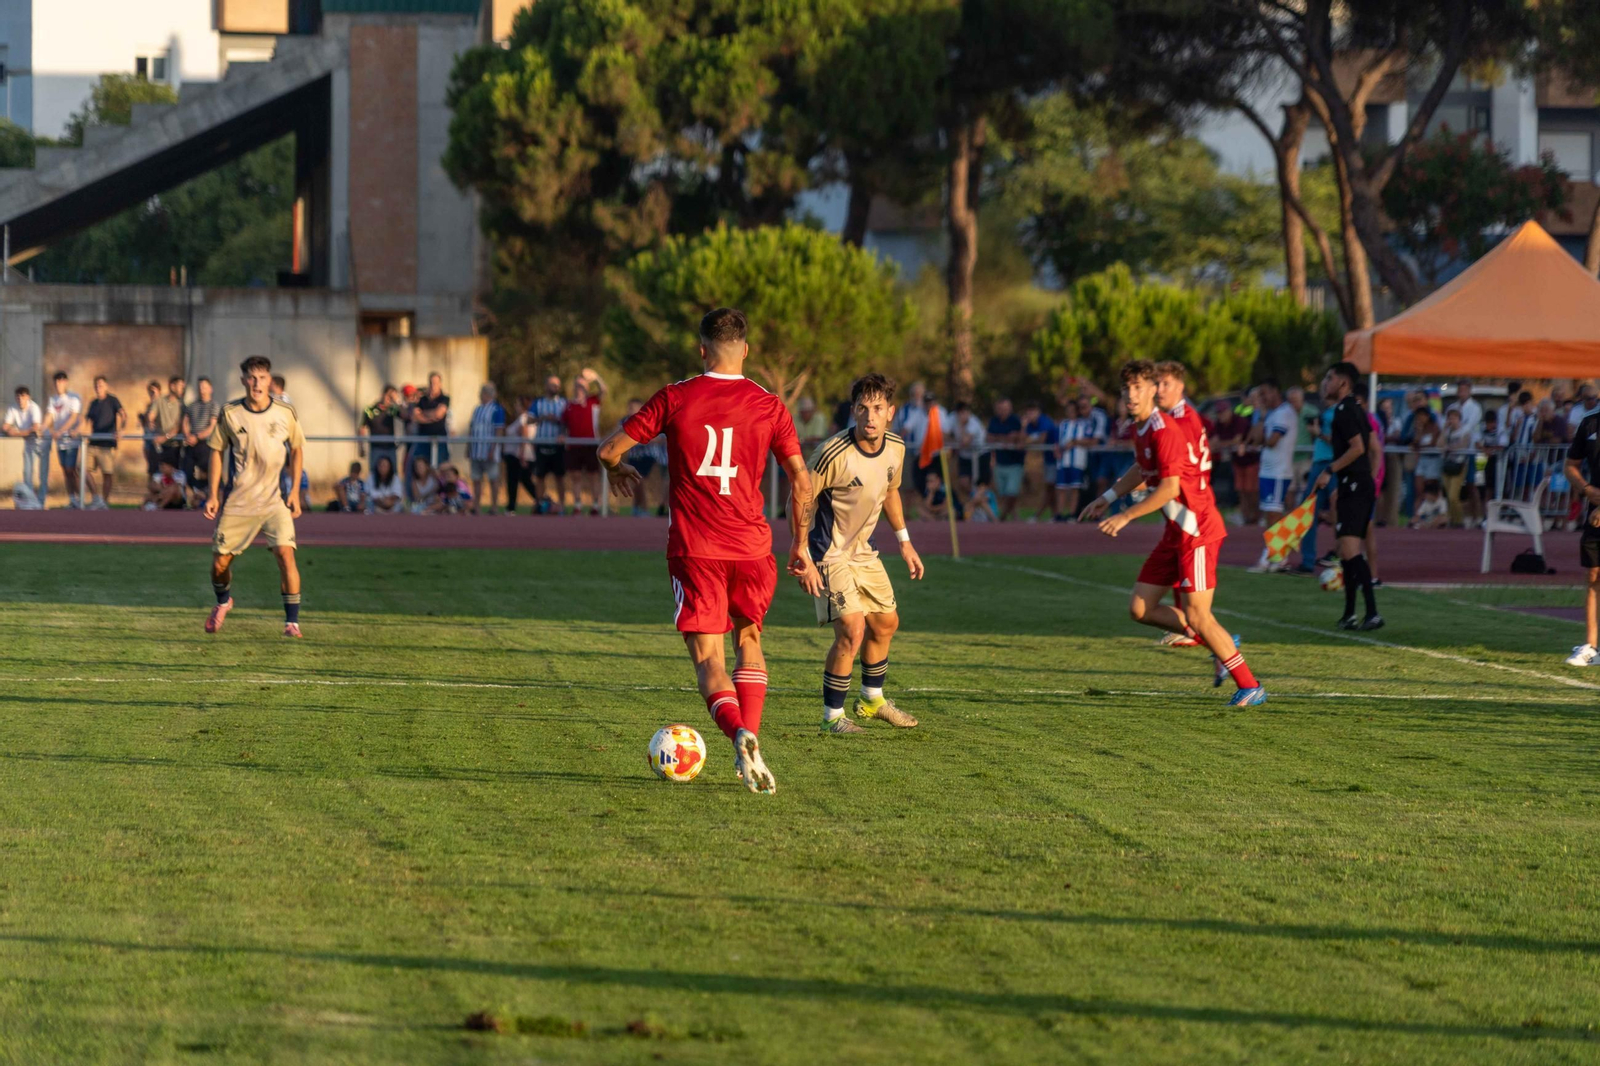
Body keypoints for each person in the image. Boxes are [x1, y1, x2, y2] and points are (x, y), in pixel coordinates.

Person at [596, 306, 811, 796]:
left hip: (696, 549)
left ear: (701, 349)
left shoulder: (676, 397)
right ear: (746, 350)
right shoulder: (770, 405)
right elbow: (802, 478)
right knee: (749, 639)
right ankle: (750, 738)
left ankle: (738, 732)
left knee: (708, 657)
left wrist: (614, 469)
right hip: (753, 549)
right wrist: (800, 544)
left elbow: (610, 450)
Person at [1080, 360, 1264, 706]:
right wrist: (1107, 498)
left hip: (1196, 529)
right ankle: (1219, 640)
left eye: (1140, 388)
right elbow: (1142, 468)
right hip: (1175, 531)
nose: (1132, 395)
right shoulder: (1141, 428)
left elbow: (1168, 488)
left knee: (1198, 615)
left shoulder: (1165, 428)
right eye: (1127, 389)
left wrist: (1126, 516)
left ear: (1152, 389)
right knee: (1139, 609)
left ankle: (1249, 684)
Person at [801, 373, 924, 735]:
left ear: (891, 412)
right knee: (852, 630)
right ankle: (833, 717)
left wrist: (904, 541)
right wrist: (802, 552)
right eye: (863, 408)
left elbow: (891, 491)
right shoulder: (830, 453)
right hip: (828, 553)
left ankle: (872, 700)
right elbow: (803, 497)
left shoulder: (897, 448)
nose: (870, 416)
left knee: (886, 623)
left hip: (863, 552)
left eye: (878, 408)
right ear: (853, 411)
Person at [203, 356, 306, 639]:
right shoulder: (230, 412)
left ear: (269, 381)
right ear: (243, 381)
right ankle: (223, 601)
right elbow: (216, 450)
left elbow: (297, 448)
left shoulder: (285, 412)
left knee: (286, 555)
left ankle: (292, 623)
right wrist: (212, 494)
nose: (257, 383)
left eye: (262, 377)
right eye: (251, 377)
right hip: (239, 502)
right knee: (219, 564)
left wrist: (295, 491)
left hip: (275, 500)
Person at [1313, 362, 1383, 631]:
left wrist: (1330, 471)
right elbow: (1374, 449)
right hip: (1356, 486)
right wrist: (1371, 481)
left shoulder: (1344, 411)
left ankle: (1373, 612)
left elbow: (1358, 448)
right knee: (1344, 551)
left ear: (1342, 383)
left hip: (1354, 486)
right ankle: (1350, 613)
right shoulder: (1356, 409)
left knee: (1351, 552)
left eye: (1329, 378)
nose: (1325, 383)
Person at [1563, 408, 1600, 666]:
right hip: (1594, 514)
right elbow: (1570, 465)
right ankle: (1592, 647)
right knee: (1593, 575)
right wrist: (1587, 490)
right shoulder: (1590, 423)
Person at [1250, 381, 1296, 572]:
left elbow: (1271, 441)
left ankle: (1271, 556)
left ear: (1276, 391)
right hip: (1268, 471)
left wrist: (1263, 434)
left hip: (1278, 472)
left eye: (1265, 393)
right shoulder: (1270, 414)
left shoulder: (1284, 413)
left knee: (1274, 515)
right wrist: (1260, 416)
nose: (1263, 398)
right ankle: (1276, 556)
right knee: (1271, 514)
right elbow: (1256, 439)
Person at [563, 369, 607, 515]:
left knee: (593, 476)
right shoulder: (569, 406)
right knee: (575, 476)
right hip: (574, 445)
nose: (579, 389)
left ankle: (595, 505)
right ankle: (577, 505)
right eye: (577, 386)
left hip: (590, 444)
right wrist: (563, 437)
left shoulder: (592, 401)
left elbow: (604, 390)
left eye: (582, 387)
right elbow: (564, 425)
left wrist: (596, 377)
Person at [82, 376, 126, 510]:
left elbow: (123, 415)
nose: (98, 388)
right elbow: (86, 421)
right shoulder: (93, 403)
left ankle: (104, 502)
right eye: (96, 385)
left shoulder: (113, 400)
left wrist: (121, 430)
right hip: (93, 442)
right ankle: (96, 498)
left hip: (107, 444)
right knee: (82, 469)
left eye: (101, 385)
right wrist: (80, 432)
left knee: (107, 473)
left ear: (106, 386)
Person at [42, 372, 83, 509]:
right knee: (65, 470)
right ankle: (72, 499)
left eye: (61, 381)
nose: (58, 384)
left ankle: (80, 498)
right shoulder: (53, 399)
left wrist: (61, 431)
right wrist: (42, 428)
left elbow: (73, 417)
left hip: (71, 441)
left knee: (71, 469)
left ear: (66, 382)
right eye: (56, 382)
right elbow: (50, 415)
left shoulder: (74, 397)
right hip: (60, 442)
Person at [528, 375, 568, 513]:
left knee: (559, 476)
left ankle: (562, 505)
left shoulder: (563, 403)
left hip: (557, 445)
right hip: (542, 444)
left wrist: (556, 420)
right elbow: (529, 420)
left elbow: (569, 423)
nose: (555, 387)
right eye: (552, 384)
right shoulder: (538, 403)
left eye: (557, 385)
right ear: (546, 386)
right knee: (539, 476)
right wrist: (543, 418)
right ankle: (540, 504)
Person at [621, 397, 668, 516]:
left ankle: (645, 509)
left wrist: (641, 439)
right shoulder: (625, 421)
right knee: (635, 483)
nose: (630, 410)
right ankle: (636, 507)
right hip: (633, 456)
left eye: (633, 408)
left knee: (639, 480)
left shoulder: (648, 420)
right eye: (629, 407)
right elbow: (616, 432)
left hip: (648, 455)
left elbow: (660, 438)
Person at [467, 382, 507, 515]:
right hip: (476, 450)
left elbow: (499, 430)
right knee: (476, 479)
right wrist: (468, 446)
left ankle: (494, 506)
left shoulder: (497, 409)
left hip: (489, 450)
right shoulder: (477, 409)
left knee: (493, 478)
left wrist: (493, 449)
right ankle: (477, 505)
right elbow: (471, 429)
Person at [892, 382, 931, 518]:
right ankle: (906, 514)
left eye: (920, 394)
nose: (917, 397)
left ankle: (924, 513)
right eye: (915, 394)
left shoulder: (930, 409)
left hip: (926, 454)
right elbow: (898, 429)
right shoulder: (904, 410)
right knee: (907, 484)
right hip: (908, 452)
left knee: (924, 485)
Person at [1440, 406, 1481, 528]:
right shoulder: (1447, 432)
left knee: (1453, 495)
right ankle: (1451, 519)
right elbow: (1439, 444)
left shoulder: (1465, 431)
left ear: (1459, 419)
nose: (1452, 421)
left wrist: (1450, 448)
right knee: (1448, 495)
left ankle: (1459, 520)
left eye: (1454, 418)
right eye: (1450, 418)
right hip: (1447, 465)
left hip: (1459, 465)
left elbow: (1464, 444)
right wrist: (1444, 430)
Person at [182, 377, 219, 509]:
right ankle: (190, 501)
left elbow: (212, 426)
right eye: (199, 387)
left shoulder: (213, 406)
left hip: (206, 445)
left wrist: (198, 437)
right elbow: (185, 422)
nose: (201, 390)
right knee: (187, 472)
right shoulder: (192, 405)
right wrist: (188, 435)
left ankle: (211, 498)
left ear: (210, 389)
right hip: (191, 444)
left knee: (208, 473)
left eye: (204, 387)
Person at [1053, 397, 1092, 522]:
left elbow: (1090, 440)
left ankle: (1072, 513)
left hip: (1077, 461)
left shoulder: (1083, 424)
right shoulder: (1062, 425)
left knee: (1075, 488)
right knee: (1061, 488)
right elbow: (1057, 442)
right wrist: (1057, 450)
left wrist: (1074, 442)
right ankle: (1059, 514)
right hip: (1063, 461)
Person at [986, 398, 1025, 521]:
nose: (1003, 411)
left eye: (1006, 408)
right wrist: (1004, 438)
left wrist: (1003, 438)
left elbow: (1019, 437)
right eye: (1001, 408)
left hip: (1014, 462)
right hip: (1000, 462)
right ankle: (1014, 516)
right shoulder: (994, 421)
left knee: (1012, 492)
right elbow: (989, 437)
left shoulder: (1015, 421)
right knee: (1003, 493)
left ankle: (1002, 516)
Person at [4, 385, 44, 503]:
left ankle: (41, 502)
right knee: (27, 472)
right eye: (18, 397)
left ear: (28, 397)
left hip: (42, 443)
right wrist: (10, 430)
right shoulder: (13, 408)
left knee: (43, 473)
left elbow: (35, 427)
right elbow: (5, 426)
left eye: (23, 396)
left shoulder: (34, 408)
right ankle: (29, 500)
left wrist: (16, 433)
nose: (20, 400)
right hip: (28, 442)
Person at [1021, 400, 1056, 521]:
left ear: (1038, 412)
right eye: (1028, 413)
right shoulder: (1030, 425)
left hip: (1056, 459)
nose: (1030, 415)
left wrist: (1029, 441)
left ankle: (1040, 515)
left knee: (1051, 488)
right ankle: (1054, 515)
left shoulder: (1044, 421)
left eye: (1032, 412)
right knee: (1050, 487)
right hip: (1048, 459)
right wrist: (1024, 426)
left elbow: (1041, 439)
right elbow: (1022, 440)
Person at [359, 384, 403, 474]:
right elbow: (362, 428)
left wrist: (397, 401)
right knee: (374, 473)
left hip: (390, 448)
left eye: (392, 397)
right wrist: (361, 447)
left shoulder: (392, 410)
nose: (389, 399)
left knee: (393, 474)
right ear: (383, 394)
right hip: (376, 448)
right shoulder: (369, 410)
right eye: (389, 396)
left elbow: (406, 416)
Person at [412, 371, 451, 470]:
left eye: (436, 383)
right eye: (431, 383)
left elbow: (439, 414)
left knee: (440, 467)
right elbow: (415, 416)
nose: (433, 386)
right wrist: (431, 417)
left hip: (439, 437)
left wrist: (423, 413)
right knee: (421, 467)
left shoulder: (444, 398)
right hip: (423, 437)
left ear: (440, 384)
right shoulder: (422, 400)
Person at [154, 376, 187, 471]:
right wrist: (150, 421)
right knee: (158, 475)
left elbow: (179, 426)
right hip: (160, 445)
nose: (182, 389)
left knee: (172, 473)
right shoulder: (160, 401)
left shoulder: (182, 405)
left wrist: (165, 437)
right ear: (172, 386)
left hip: (174, 445)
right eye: (180, 386)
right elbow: (151, 416)